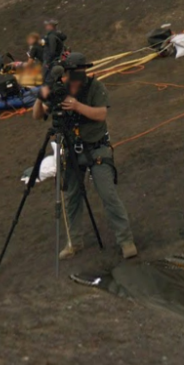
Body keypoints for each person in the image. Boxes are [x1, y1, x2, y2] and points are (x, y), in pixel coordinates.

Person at [36, 52, 137, 261]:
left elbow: (101, 114)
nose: (77, 75)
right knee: (71, 197)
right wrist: (41, 96)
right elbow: (38, 114)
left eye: (80, 71)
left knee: (108, 194)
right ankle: (74, 242)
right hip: (71, 150)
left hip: (97, 148)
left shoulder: (95, 87)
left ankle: (126, 240)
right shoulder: (60, 90)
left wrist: (76, 106)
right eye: (73, 72)